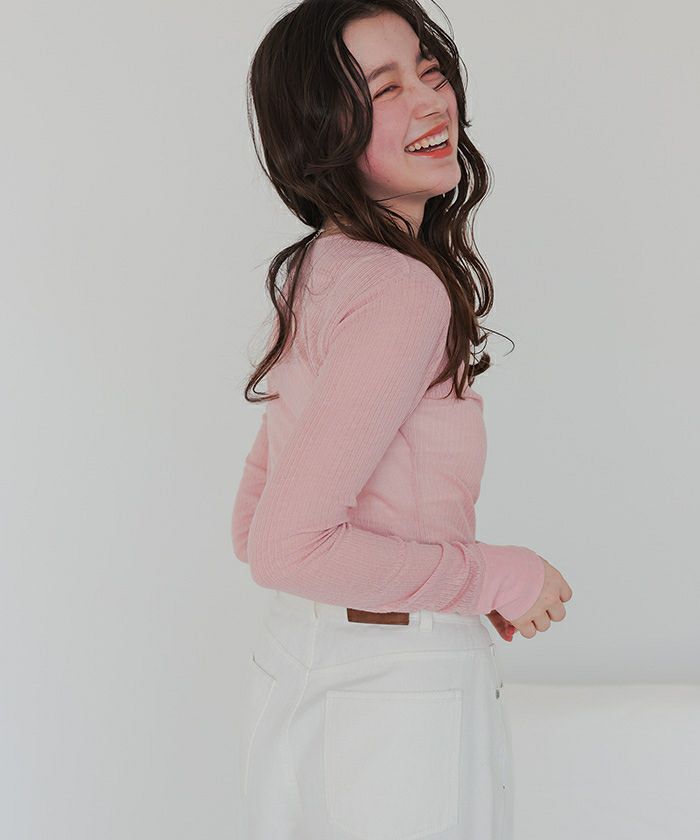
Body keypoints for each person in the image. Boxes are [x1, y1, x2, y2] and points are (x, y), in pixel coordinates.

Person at [231, 1, 573, 837]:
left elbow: (253, 528)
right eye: (384, 89)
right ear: (322, 131)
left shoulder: (317, 272)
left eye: (428, 68)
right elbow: (283, 546)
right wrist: (495, 577)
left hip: (302, 662)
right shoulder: (401, 291)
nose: (430, 99)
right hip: (397, 694)